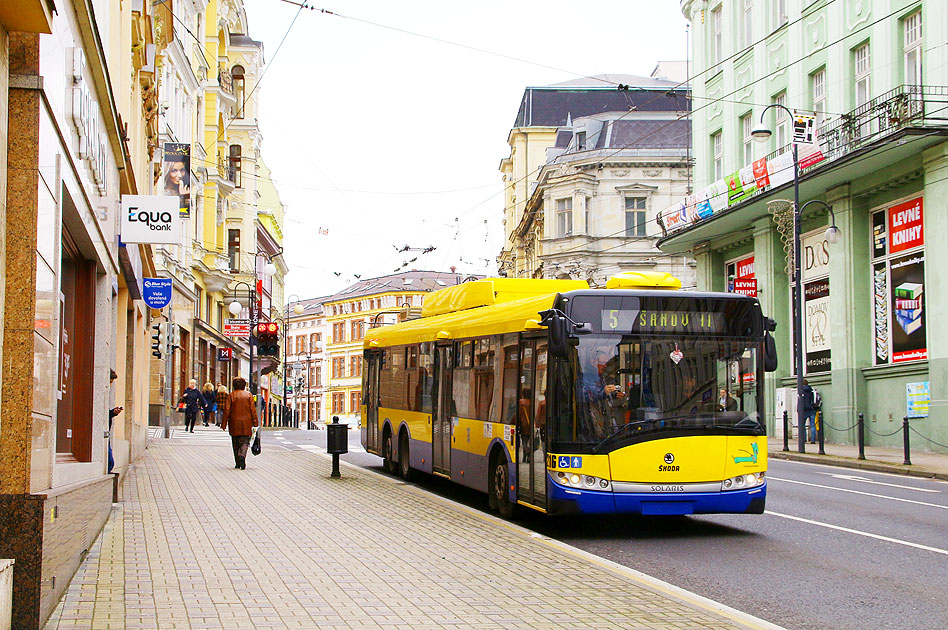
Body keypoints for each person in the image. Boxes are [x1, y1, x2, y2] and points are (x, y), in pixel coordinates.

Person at [221, 377, 258, 470]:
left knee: (235, 442)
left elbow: (227, 410)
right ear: (244, 385)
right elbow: (253, 411)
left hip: (234, 422)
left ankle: (237, 462)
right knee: (245, 441)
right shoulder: (249, 395)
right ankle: (242, 455)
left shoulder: (231, 395)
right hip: (246, 422)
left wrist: (224, 423)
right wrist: (255, 423)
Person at [108, 369, 123, 473]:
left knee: (110, 462)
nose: (110, 385)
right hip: (101, 434)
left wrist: (113, 412)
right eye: (110, 382)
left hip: (106, 434)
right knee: (110, 462)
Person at [801, 379, 818, 443]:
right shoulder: (811, 390)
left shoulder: (801, 391)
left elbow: (800, 401)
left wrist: (798, 409)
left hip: (804, 410)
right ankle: (813, 440)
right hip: (812, 409)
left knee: (802, 425)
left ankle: (804, 439)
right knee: (813, 425)